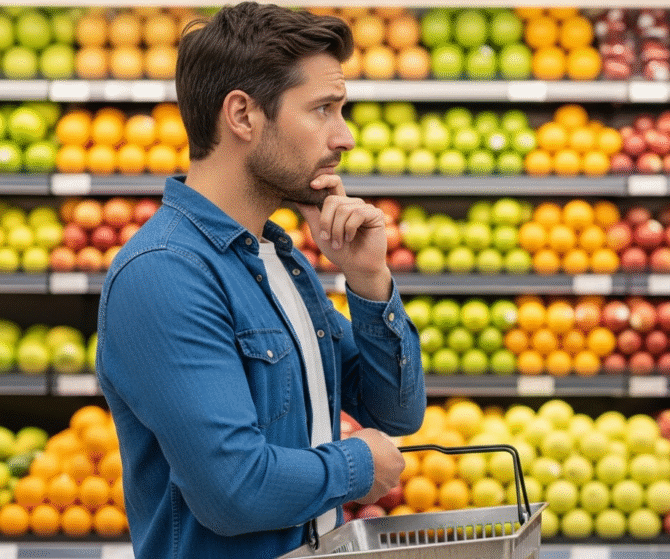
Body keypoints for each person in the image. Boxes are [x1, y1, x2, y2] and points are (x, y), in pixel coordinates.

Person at [95, 3, 426, 558]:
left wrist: (369, 279)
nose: (345, 137)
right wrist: (359, 465)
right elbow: (234, 491)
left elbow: (396, 412)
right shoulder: (164, 275)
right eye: (323, 109)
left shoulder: (281, 259)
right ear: (243, 116)